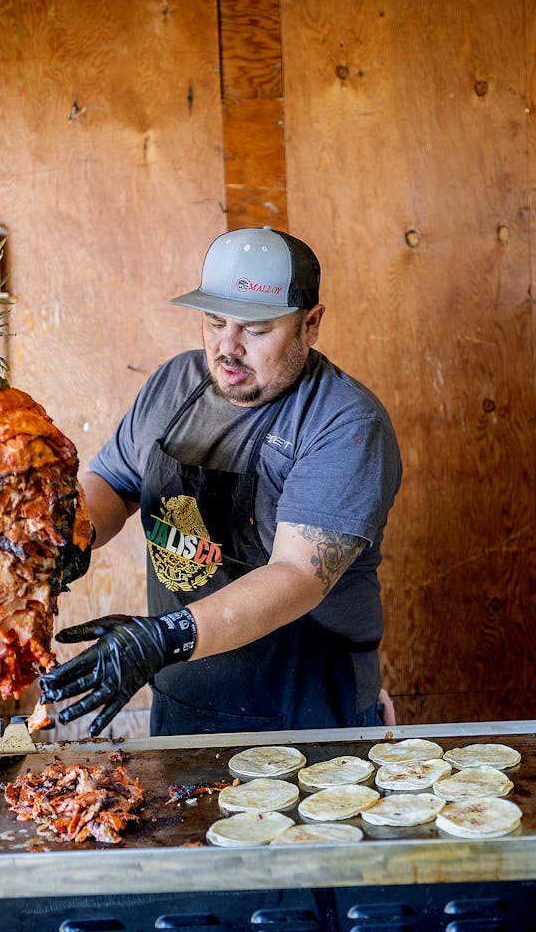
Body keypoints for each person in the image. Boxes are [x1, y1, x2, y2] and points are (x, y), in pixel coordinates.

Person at [40, 226, 402, 736]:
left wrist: (164, 637)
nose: (227, 348)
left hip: (309, 718)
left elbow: (298, 575)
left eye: (255, 330)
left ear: (311, 324)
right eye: (213, 322)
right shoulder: (174, 384)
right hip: (182, 700)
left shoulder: (343, 422)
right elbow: (113, 482)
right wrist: (67, 539)